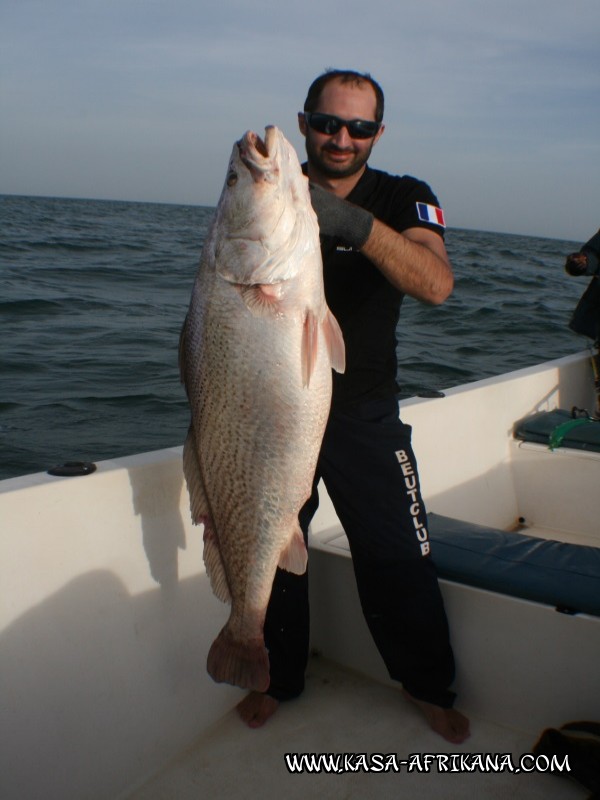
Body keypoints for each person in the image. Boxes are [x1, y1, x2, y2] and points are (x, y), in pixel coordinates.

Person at [237, 68, 470, 744]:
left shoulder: (404, 196)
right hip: (272, 409)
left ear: (378, 132)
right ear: (305, 120)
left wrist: (354, 226)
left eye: (358, 126)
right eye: (328, 122)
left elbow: (436, 284)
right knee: (275, 544)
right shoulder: (273, 190)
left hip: (362, 409)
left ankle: (426, 684)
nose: (341, 137)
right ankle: (272, 674)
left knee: (398, 552)